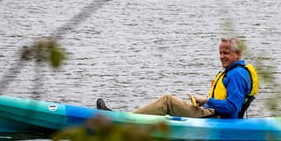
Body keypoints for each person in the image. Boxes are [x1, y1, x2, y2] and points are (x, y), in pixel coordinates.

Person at [96, 37, 258, 119]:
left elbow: (232, 108)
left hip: (216, 118)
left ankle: (122, 119)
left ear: (238, 54)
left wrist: (207, 100)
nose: (221, 57)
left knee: (168, 100)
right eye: (220, 53)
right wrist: (204, 101)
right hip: (214, 113)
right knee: (172, 102)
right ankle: (128, 118)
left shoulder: (236, 74)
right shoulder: (236, 71)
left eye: (226, 53)